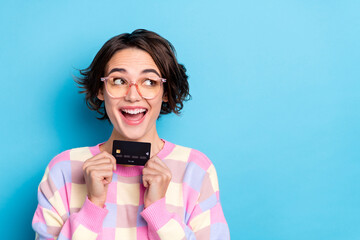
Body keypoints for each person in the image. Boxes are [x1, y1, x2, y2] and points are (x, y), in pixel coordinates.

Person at [32, 29, 230, 240]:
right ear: (100, 89)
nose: (133, 96)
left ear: (165, 92)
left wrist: (159, 214)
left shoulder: (196, 169)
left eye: (149, 82)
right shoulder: (63, 170)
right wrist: (92, 206)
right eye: (118, 81)